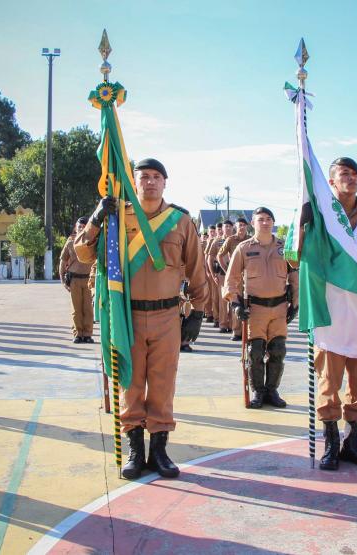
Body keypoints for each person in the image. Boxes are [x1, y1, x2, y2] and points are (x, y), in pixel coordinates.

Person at [75, 158, 207, 480]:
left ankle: (159, 450)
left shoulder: (180, 221)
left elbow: (197, 269)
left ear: (165, 183)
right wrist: (96, 217)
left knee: (163, 384)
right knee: (130, 383)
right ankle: (135, 448)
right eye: (144, 176)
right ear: (134, 183)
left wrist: (199, 311)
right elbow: (83, 252)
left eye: (156, 177)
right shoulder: (117, 216)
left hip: (166, 317)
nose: (150, 182)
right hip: (127, 315)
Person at [302, 157, 357, 471]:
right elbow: (294, 258)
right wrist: (303, 222)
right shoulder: (320, 215)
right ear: (330, 181)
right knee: (329, 378)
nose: (350, 178)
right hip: (330, 306)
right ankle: (330, 443)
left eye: (355, 174)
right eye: (344, 174)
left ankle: (352, 442)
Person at [224, 207, 298, 409]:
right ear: (253, 224)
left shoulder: (285, 248)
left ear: (273, 222)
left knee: (278, 351)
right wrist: (236, 303)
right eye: (260, 219)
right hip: (255, 309)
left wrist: (296, 302)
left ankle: (272, 390)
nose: (265, 222)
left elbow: (294, 276)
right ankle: (258, 390)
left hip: (279, 308)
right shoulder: (244, 248)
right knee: (255, 353)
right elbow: (231, 279)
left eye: (268, 219)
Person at [60, 217, 95, 344]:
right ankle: (78, 334)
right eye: (79, 226)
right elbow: (63, 261)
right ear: (76, 227)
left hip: (88, 280)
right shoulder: (70, 242)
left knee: (88, 309)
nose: (81, 228)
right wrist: (62, 279)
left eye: (83, 226)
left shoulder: (91, 241)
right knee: (76, 309)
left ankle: (87, 334)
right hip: (74, 279)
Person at [218, 217, 251, 341]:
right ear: (236, 226)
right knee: (236, 302)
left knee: (249, 303)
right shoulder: (231, 240)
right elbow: (219, 255)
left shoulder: (251, 239)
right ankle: (236, 331)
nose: (241, 227)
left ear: (247, 227)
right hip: (236, 275)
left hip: (249, 276)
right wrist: (227, 271)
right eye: (239, 225)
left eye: (244, 225)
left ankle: (247, 331)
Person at [207, 221, 233, 333]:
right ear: (222, 228)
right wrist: (212, 274)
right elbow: (210, 259)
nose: (227, 228)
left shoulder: (236, 240)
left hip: (235, 274)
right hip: (221, 274)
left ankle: (232, 325)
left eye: (229, 226)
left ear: (232, 228)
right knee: (222, 301)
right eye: (225, 226)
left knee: (234, 300)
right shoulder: (217, 241)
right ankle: (223, 324)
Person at [202, 225, 217, 323]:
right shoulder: (203, 243)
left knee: (214, 295)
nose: (212, 233)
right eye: (210, 232)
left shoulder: (217, 242)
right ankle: (208, 313)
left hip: (214, 270)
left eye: (213, 231)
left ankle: (214, 314)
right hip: (203, 271)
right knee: (207, 294)